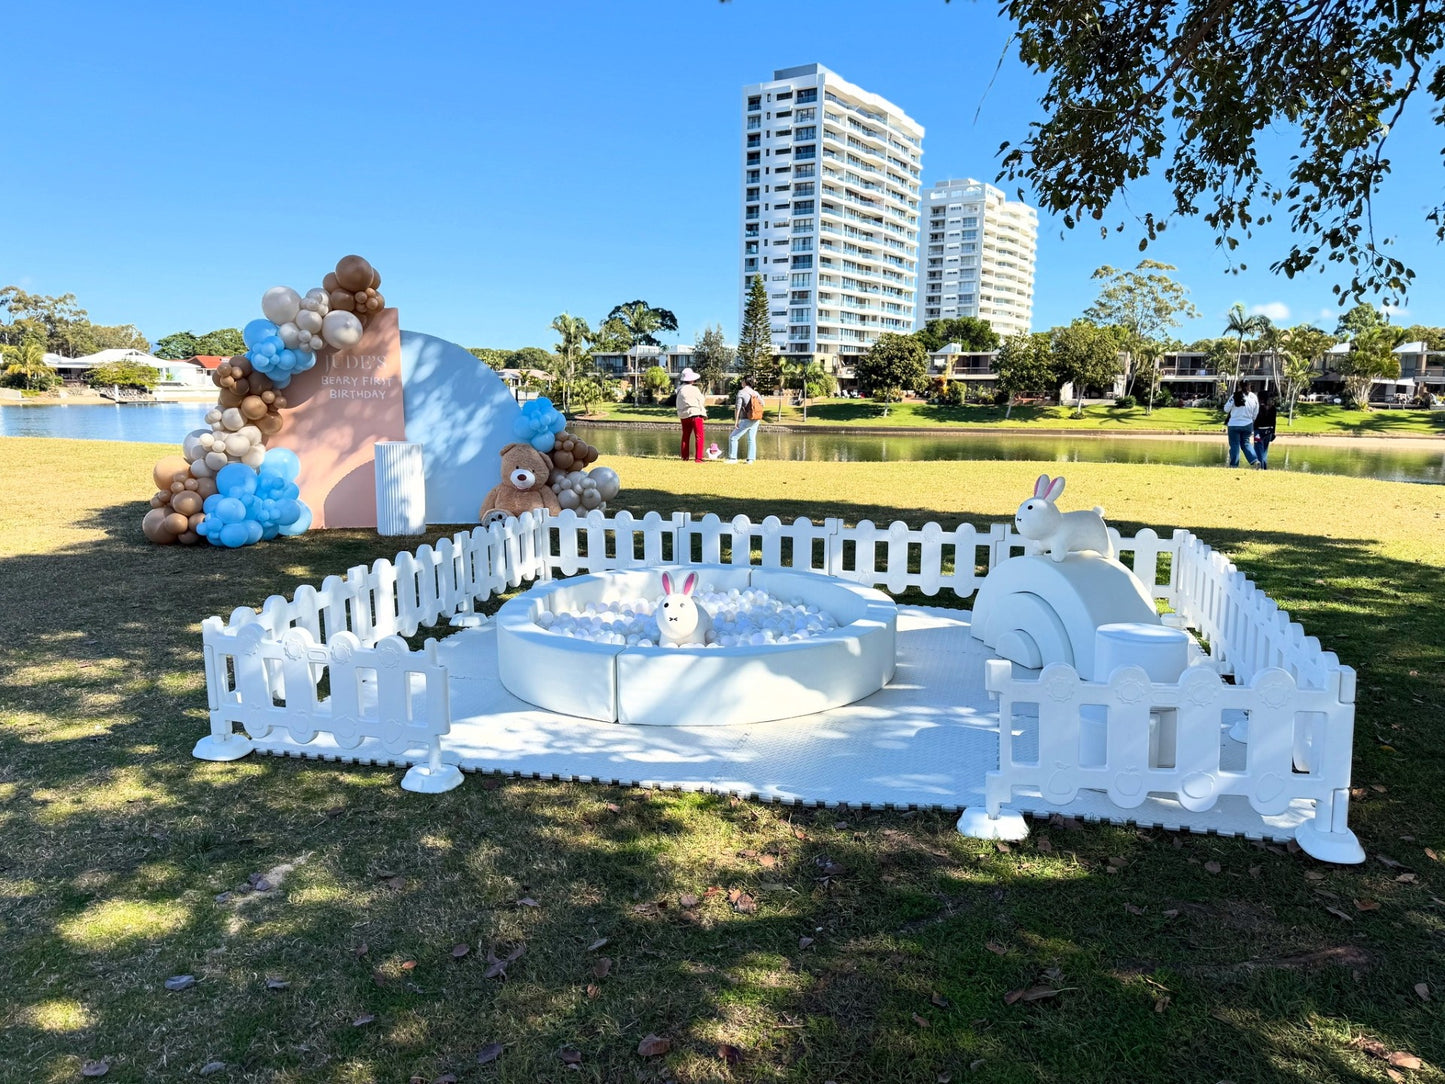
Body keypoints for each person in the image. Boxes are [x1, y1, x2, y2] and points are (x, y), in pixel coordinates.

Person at [726, 376, 764, 463]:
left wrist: (736, 421)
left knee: (733, 437)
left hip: (746, 419)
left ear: (745, 382)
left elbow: (738, 407)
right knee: (751, 439)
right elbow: (763, 403)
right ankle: (750, 459)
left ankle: (733, 458)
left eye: (742, 380)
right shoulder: (755, 393)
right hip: (756, 418)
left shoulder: (741, 392)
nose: (741, 382)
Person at [674, 368, 707, 463]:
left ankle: (685, 457)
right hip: (695, 414)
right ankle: (698, 458)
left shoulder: (679, 390)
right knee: (699, 436)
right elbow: (701, 401)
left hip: (684, 415)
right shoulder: (695, 389)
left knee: (685, 436)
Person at [1223, 387, 1259, 468]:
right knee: (1246, 443)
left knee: (1235, 445)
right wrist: (1252, 419)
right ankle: (1254, 460)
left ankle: (1234, 465)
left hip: (1234, 424)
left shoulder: (1234, 396)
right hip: (1248, 424)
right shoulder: (1253, 397)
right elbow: (1256, 411)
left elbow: (1226, 409)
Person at [1252, 390, 1278, 470]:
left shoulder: (1258, 408)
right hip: (1269, 431)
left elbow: (1256, 421)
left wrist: (1253, 429)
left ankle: (1261, 468)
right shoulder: (1273, 408)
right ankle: (1264, 467)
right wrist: (1273, 432)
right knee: (1264, 451)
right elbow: (1274, 422)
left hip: (1258, 432)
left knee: (1258, 450)